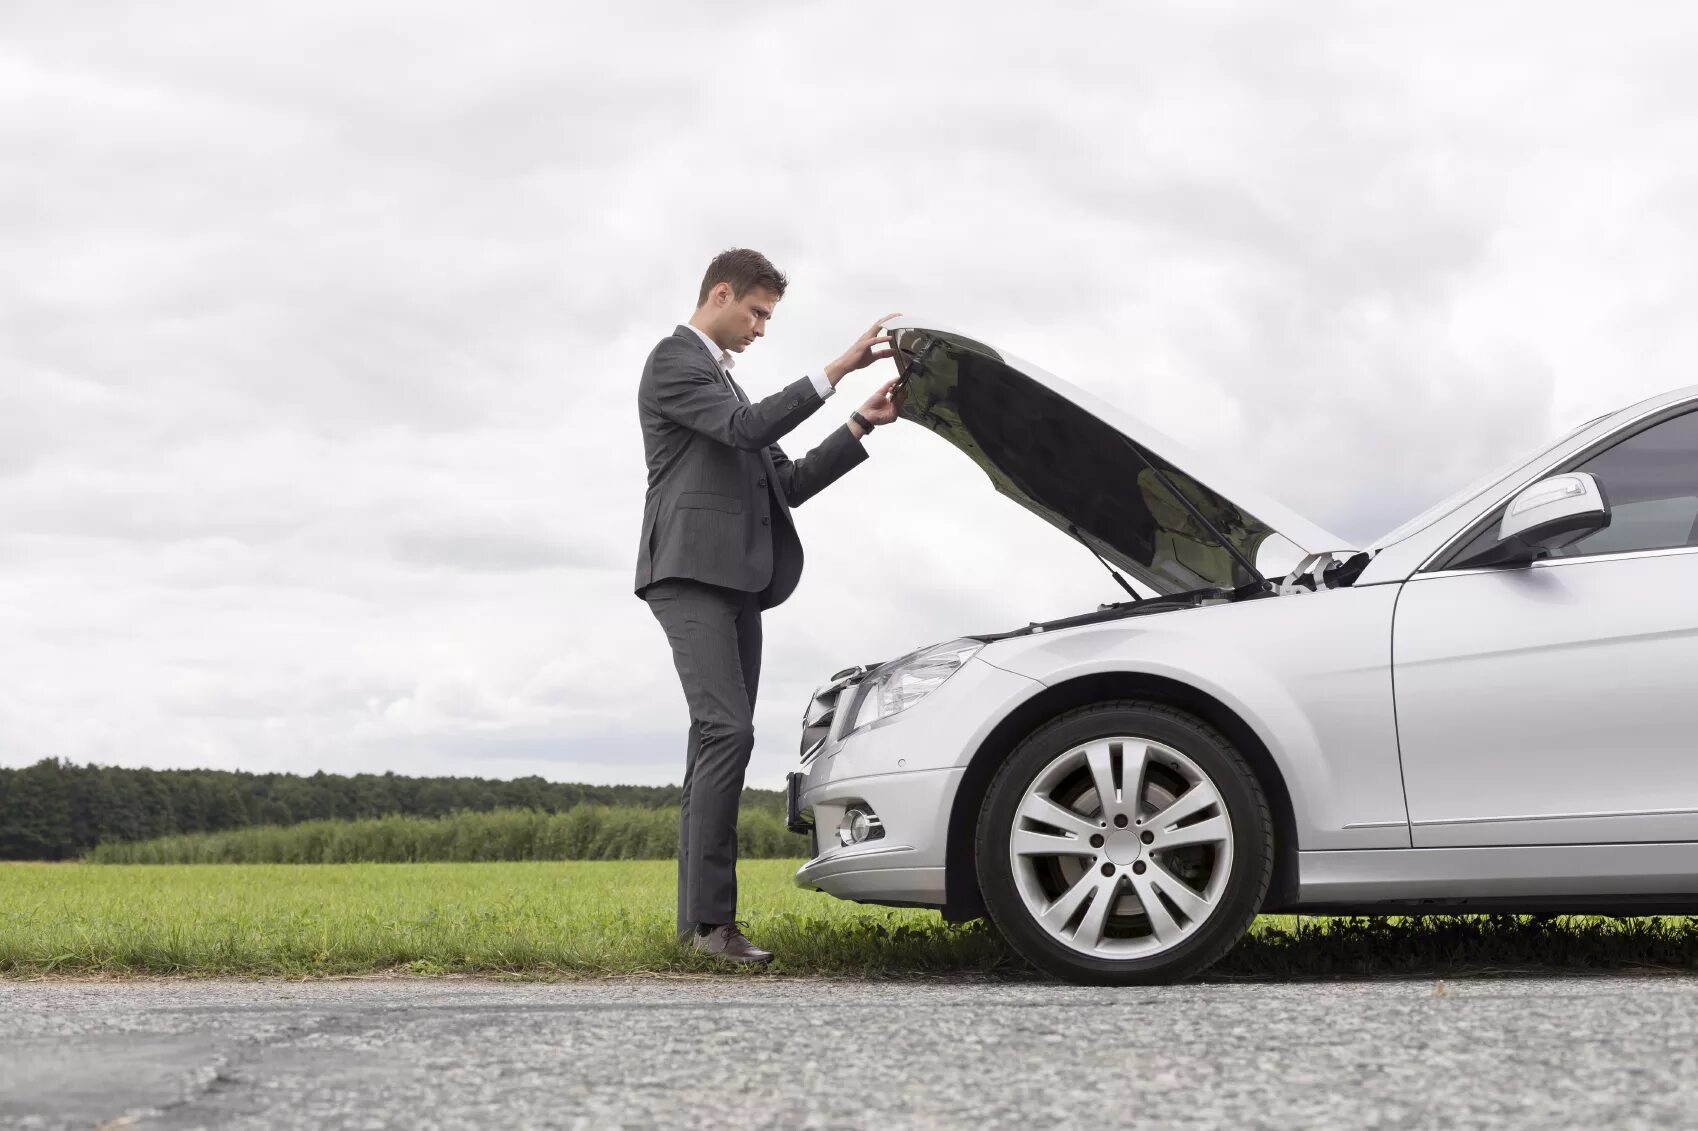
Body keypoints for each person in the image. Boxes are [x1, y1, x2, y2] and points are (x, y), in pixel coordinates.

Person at [633, 248, 903, 964]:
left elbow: (788, 482)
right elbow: (748, 430)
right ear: (719, 294)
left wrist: (858, 425)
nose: (760, 328)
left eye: (767, 317)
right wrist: (836, 367)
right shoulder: (675, 362)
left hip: (738, 580)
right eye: (755, 312)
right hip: (688, 573)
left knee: (714, 740)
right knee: (728, 730)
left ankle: (698, 929)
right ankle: (713, 926)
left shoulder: (726, 387)